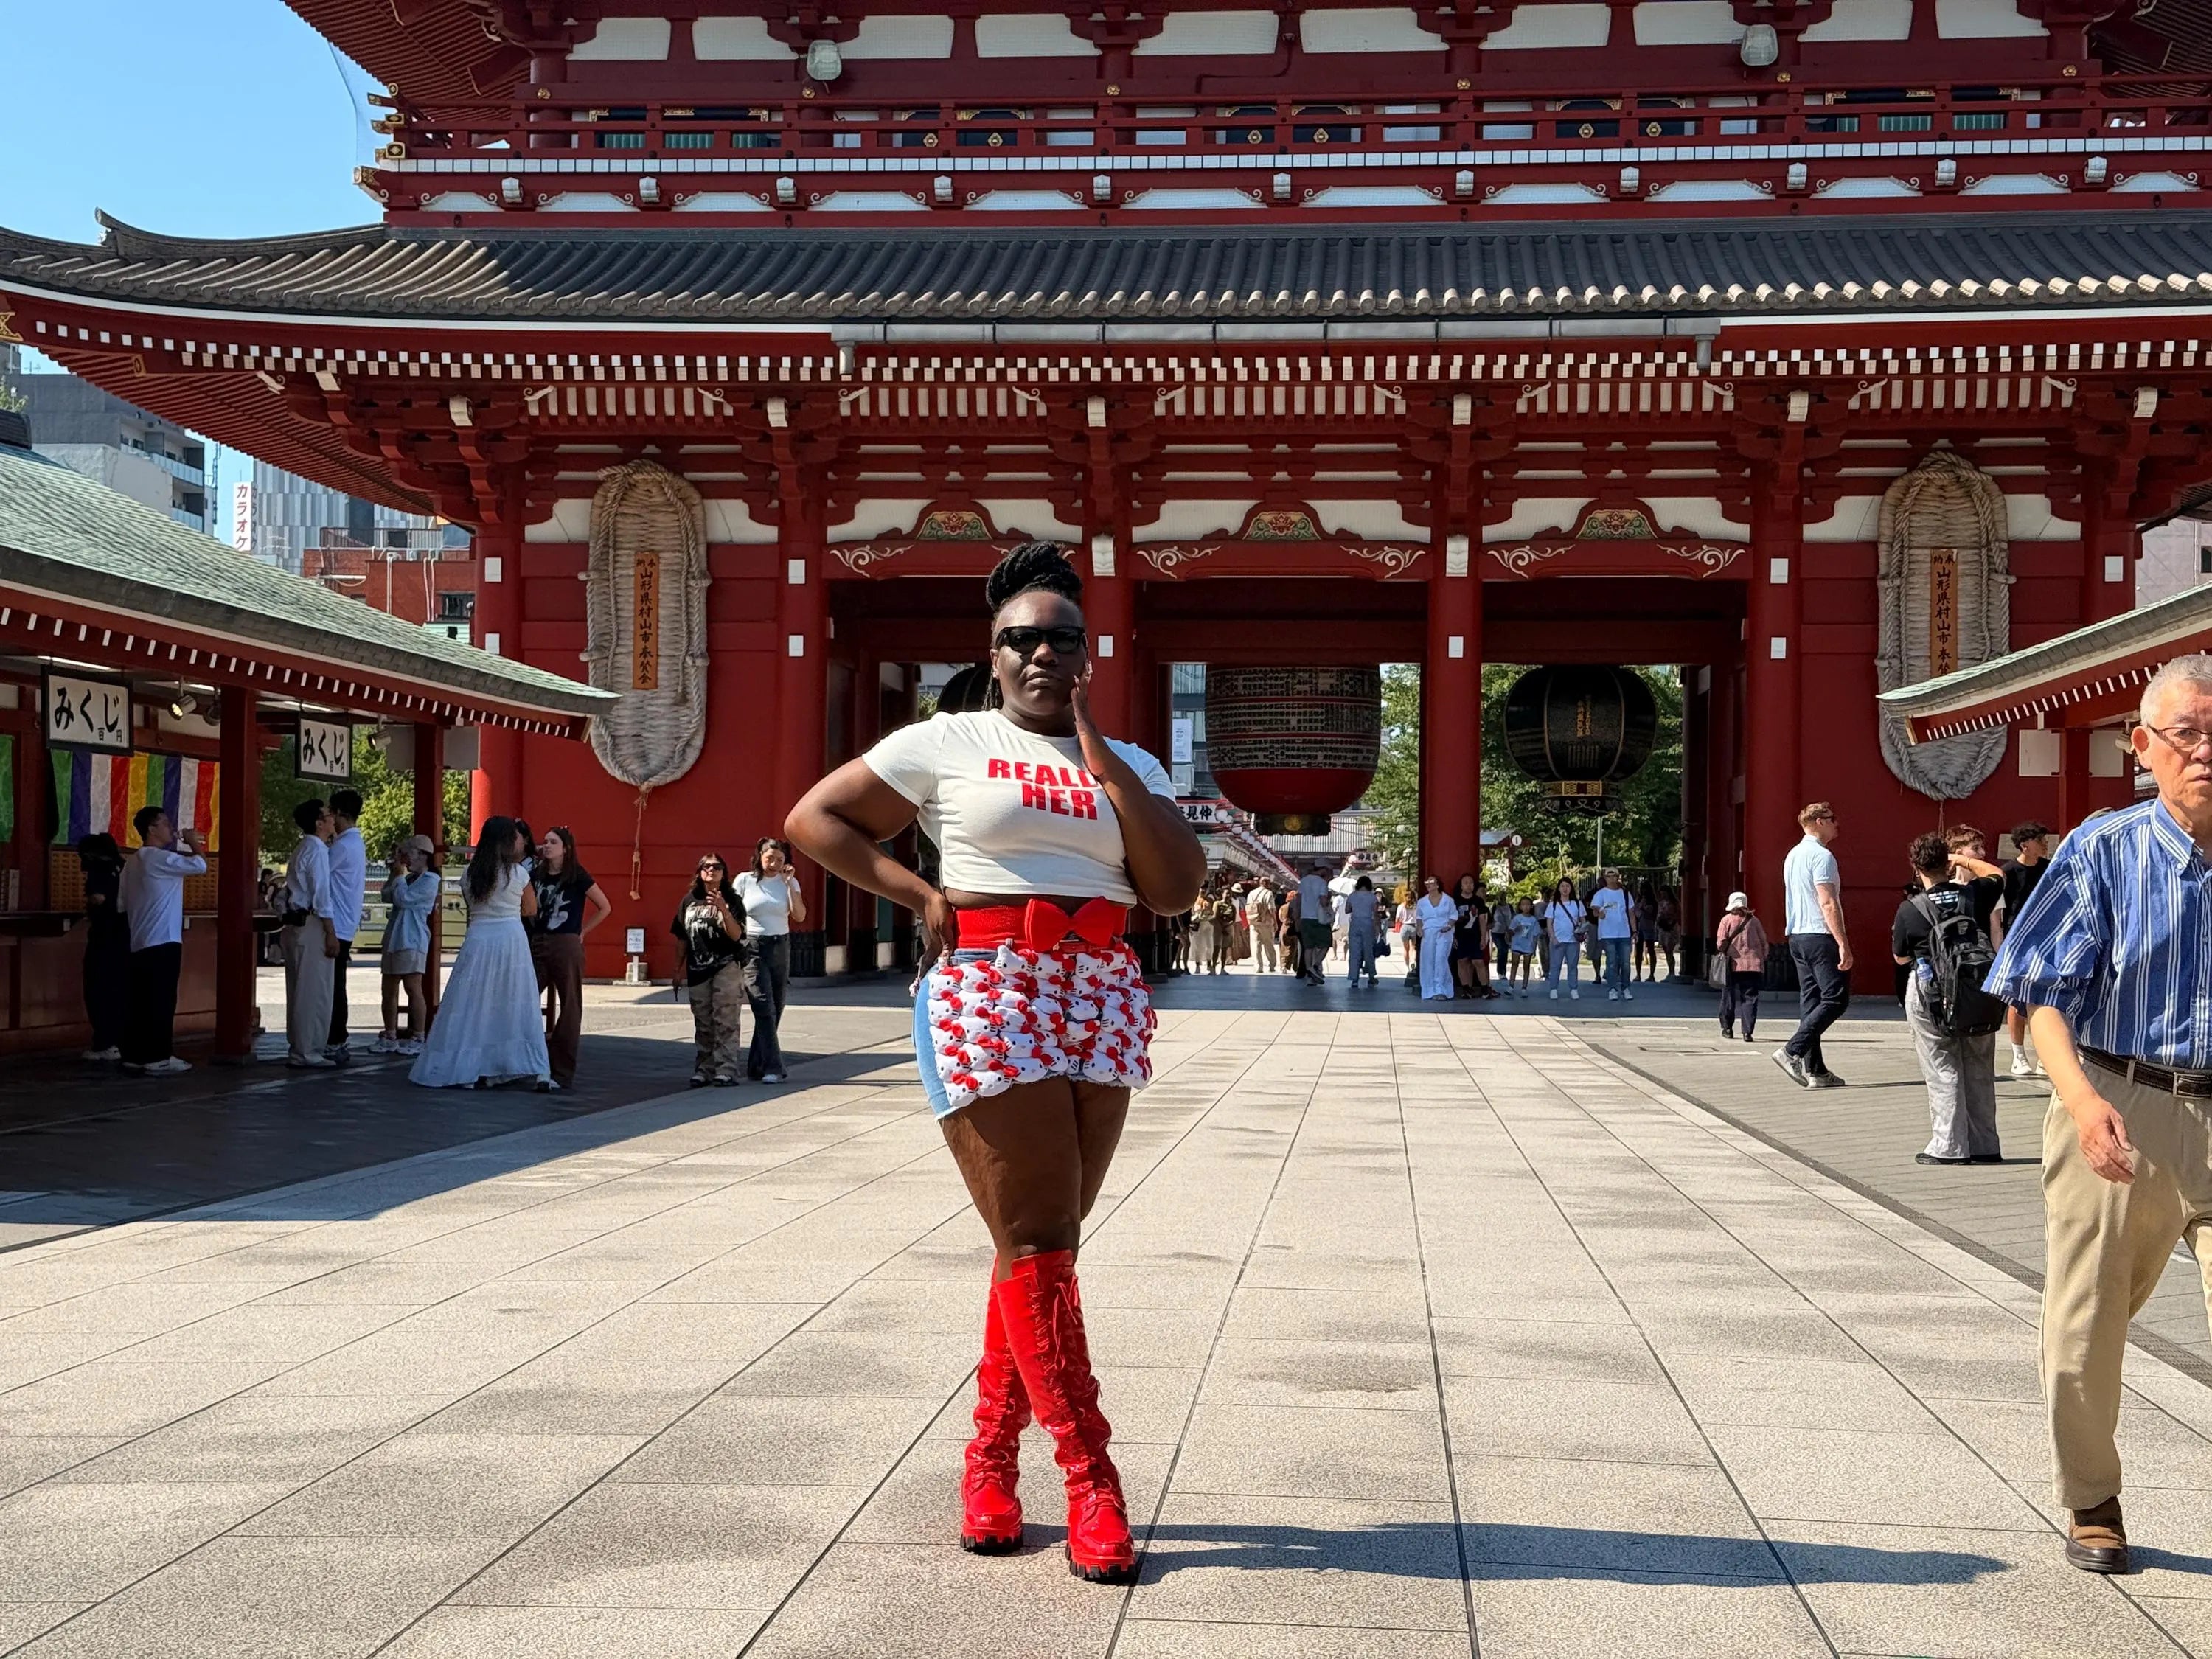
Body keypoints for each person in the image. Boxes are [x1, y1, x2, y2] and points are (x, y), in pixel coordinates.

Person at [786, 540, 1204, 1585]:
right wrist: (920, 896)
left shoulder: (1134, 763)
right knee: (1038, 1239)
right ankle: (1090, 1475)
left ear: (1087, 654)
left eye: (1062, 640)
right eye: (1022, 639)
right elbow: (814, 819)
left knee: (1040, 1244)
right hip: (989, 979)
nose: (1041, 655)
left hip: (1101, 987)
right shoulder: (949, 738)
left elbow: (1174, 888)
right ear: (994, 650)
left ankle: (987, 1461)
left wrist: (1102, 756)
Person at [1982, 655, 2212, 1577]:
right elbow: (2040, 993)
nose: (2205, 749)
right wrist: (2080, 1104)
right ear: (2143, 748)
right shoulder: (2103, 849)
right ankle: (2092, 1499)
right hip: (2122, 1102)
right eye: (2186, 733)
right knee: (2087, 1326)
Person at [1893, 830, 2006, 1168]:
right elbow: (1997, 875)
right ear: (1948, 862)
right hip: (1977, 989)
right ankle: (1985, 1145)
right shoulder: (1973, 896)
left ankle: (1949, 1145)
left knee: (1942, 1065)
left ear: (1916, 868)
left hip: (1932, 994)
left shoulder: (1909, 909)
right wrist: (1964, 861)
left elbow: (1900, 958)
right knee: (1979, 1068)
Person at [411, 818, 552, 1090]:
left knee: (471, 1000)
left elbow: (471, 906)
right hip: (511, 938)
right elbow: (531, 909)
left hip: (478, 937)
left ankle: (467, 1066)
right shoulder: (518, 874)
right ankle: (529, 1066)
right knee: (515, 999)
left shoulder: (470, 873)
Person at [119, 807, 207, 1076]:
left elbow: (121, 904)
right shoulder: (158, 858)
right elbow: (201, 865)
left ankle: (135, 1054)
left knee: (140, 1001)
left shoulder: (132, 862)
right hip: (163, 938)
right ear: (151, 830)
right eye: (165, 824)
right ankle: (158, 1056)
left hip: (139, 939)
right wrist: (193, 841)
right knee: (161, 1000)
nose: (171, 828)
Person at [1777, 801, 1853, 1089]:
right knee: (1836, 998)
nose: (1837, 824)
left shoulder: (1793, 855)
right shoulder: (1823, 856)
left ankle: (1817, 1070)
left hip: (1797, 935)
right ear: (1819, 822)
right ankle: (1791, 1051)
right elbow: (1827, 900)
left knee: (1811, 1002)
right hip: (1820, 934)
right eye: (1833, 819)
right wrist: (1842, 941)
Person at [530, 825, 611, 1090]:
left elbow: (605, 906)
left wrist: (582, 932)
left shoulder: (577, 875)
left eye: (553, 842)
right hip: (538, 939)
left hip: (566, 940)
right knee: (525, 999)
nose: (547, 846)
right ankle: (529, 1061)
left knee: (571, 1004)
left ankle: (561, 1071)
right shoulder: (536, 874)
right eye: (545, 842)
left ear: (566, 848)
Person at [672, 853, 750, 1087]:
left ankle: (726, 1069)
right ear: (699, 872)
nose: (712, 870)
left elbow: (737, 935)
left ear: (724, 873)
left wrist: (723, 909)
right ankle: (704, 1068)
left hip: (726, 964)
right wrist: (676, 970)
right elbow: (681, 938)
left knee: (725, 1018)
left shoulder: (732, 900)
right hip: (697, 968)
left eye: (717, 867)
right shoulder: (689, 900)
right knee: (703, 1021)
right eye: (706, 867)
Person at [734, 838, 804, 1083]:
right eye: (769, 858)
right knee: (763, 1005)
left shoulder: (790, 882)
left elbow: (799, 915)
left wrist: (788, 885)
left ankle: (756, 1064)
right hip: (753, 946)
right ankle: (774, 1067)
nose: (774, 864)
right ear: (760, 856)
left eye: (780, 859)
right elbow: (734, 913)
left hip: (780, 946)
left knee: (776, 1006)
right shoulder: (745, 881)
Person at [281, 798, 338, 1071]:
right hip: (312, 923)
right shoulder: (317, 851)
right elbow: (322, 896)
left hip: (297, 923)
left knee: (299, 988)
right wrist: (331, 931)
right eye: (328, 815)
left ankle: (300, 1047)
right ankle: (309, 1050)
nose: (332, 818)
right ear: (319, 823)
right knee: (314, 991)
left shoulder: (303, 848)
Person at [1997, 819, 2052, 1077]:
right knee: (2018, 999)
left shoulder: (2049, 869)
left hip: (2045, 940)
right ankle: (2018, 1055)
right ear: (2024, 846)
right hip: (2017, 942)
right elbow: (2001, 911)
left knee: (2042, 998)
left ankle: (2044, 1056)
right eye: (2040, 840)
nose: (2045, 844)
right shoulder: (2007, 873)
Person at [378, 833, 439, 1056]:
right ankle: (390, 1034)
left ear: (423, 855)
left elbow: (404, 900)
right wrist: (395, 875)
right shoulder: (406, 878)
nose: (405, 858)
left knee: (413, 988)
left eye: (409, 853)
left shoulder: (430, 881)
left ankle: (418, 1036)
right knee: (389, 989)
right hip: (394, 937)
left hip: (412, 938)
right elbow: (386, 896)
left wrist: (400, 876)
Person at [75, 832, 128, 1060]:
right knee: (119, 989)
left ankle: (104, 1043)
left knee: (97, 989)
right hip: (125, 936)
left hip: (103, 935)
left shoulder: (98, 868)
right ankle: (120, 1039)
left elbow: (98, 898)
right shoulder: (124, 867)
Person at [324, 787, 366, 1065]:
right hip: (346, 921)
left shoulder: (341, 846)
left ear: (339, 813)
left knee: (332, 984)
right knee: (337, 982)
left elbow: (317, 874)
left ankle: (334, 1037)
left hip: (335, 923)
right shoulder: (355, 843)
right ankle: (337, 1036)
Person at [1714, 891, 1770, 1041]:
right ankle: (1747, 1031)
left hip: (1731, 964)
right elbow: (1764, 943)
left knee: (1728, 996)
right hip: (1752, 965)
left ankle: (1727, 1028)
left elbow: (1720, 944)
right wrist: (1762, 956)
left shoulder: (1726, 920)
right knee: (1750, 998)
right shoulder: (1754, 921)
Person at [1588, 868, 1635, 1001]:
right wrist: (1600, 913)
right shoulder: (1600, 894)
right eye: (1609, 876)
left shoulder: (1625, 894)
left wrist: (1634, 930)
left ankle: (1626, 987)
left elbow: (1631, 913)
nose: (1611, 878)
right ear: (1605, 878)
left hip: (1624, 933)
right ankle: (1612, 989)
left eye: (1614, 876)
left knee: (1626, 963)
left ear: (1618, 877)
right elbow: (1595, 911)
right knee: (1611, 962)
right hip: (1608, 934)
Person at [1542, 876, 1587, 1001]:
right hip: (1558, 940)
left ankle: (1573, 989)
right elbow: (1549, 923)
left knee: (1573, 966)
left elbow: (1583, 921)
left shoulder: (1578, 904)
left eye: (1567, 886)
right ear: (1559, 889)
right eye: (1562, 886)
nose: (1565, 889)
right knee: (1555, 966)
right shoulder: (1553, 905)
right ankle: (1553, 989)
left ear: (1571, 888)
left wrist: (1582, 931)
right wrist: (1553, 938)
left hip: (1573, 941)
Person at [1413, 875, 1457, 1001]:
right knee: (1428, 960)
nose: (1429, 884)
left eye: (1432, 882)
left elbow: (1454, 915)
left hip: (1444, 932)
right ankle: (1429, 990)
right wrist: (1419, 928)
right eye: (1427, 882)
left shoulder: (1448, 900)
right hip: (1428, 933)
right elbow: (1419, 917)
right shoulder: (1422, 901)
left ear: (1438, 885)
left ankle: (1441, 989)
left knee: (1440, 959)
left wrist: (1449, 926)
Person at [1450, 873, 1488, 999]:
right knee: (1462, 962)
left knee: (1478, 962)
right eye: (1466, 883)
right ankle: (1466, 988)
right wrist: (1453, 936)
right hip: (1461, 936)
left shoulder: (1478, 901)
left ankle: (1485, 988)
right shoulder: (1455, 901)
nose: (1469, 885)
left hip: (1475, 936)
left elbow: (1482, 919)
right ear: (1461, 886)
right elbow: (1452, 920)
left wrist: (1483, 937)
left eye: (1471, 883)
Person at [1297, 863, 1332, 985]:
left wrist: (1298, 916)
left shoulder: (1303, 881)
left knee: (1308, 947)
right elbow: (1323, 902)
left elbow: (1299, 899)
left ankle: (1310, 971)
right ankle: (1316, 966)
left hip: (1305, 917)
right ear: (1322, 870)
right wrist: (1329, 900)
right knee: (1326, 943)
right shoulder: (1322, 883)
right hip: (1318, 918)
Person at [1345, 873, 1380, 987]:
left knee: (1354, 952)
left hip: (1355, 924)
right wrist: (1378, 929)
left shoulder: (1352, 896)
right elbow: (1375, 914)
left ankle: (1354, 979)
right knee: (1369, 951)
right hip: (1368, 924)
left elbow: (1347, 910)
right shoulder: (1372, 897)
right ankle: (1371, 977)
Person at [1506, 897, 1540, 995]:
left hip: (1527, 946)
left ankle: (1524, 988)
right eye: (1523, 905)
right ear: (1520, 907)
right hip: (1517, 944)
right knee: (1514, 964)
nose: (1526, 907)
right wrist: (1515, 930)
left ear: (1531, 906)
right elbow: (1510, 931)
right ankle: (1511, 986)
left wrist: (1534, 948)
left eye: (1528, 905)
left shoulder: (1533, 920)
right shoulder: (1517, 918)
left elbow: (1535, 935)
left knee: (1526, 966)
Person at [1247, 882, 1279, 974]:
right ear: (1266, 884)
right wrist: (1275, 923)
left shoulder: (1251, 893)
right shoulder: (1268, 893)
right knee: (1268, 944)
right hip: (1266, 922)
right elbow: (1271, 909)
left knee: (1255, 944)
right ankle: (1272, 965)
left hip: (1254, 921)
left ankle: (1258, 966)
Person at [1633, 880, 1660, 983]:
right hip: (1640, 926)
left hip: (1649, 926)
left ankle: (1651, 975)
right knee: (1638, 950)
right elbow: (1635, 911)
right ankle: (1638, 974)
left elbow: (1651, 913)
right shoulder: (1639, 899)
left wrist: (1643, 908)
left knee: (1651, 950)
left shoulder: (1652, 901)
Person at [1654, 883, 1681, 982]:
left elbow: (1678, 915)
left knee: (1670, 951)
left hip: (1671, 927)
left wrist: (1670, 923)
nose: (1663, 896)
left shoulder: (1674, 903)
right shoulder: (1660, 903)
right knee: (1666, 951)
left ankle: (1672, 972)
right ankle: (1670, 971)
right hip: (1663, 928)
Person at [1394, 890, 1418, 969]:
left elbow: (1397, 919)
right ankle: (1413, 961)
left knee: (1405, 948)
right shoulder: (1416, 907)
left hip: (1404, 926)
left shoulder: (1401, 906)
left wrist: (1402, 920)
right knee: (1413, 947)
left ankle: (1407, 967)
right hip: (1414, 926)